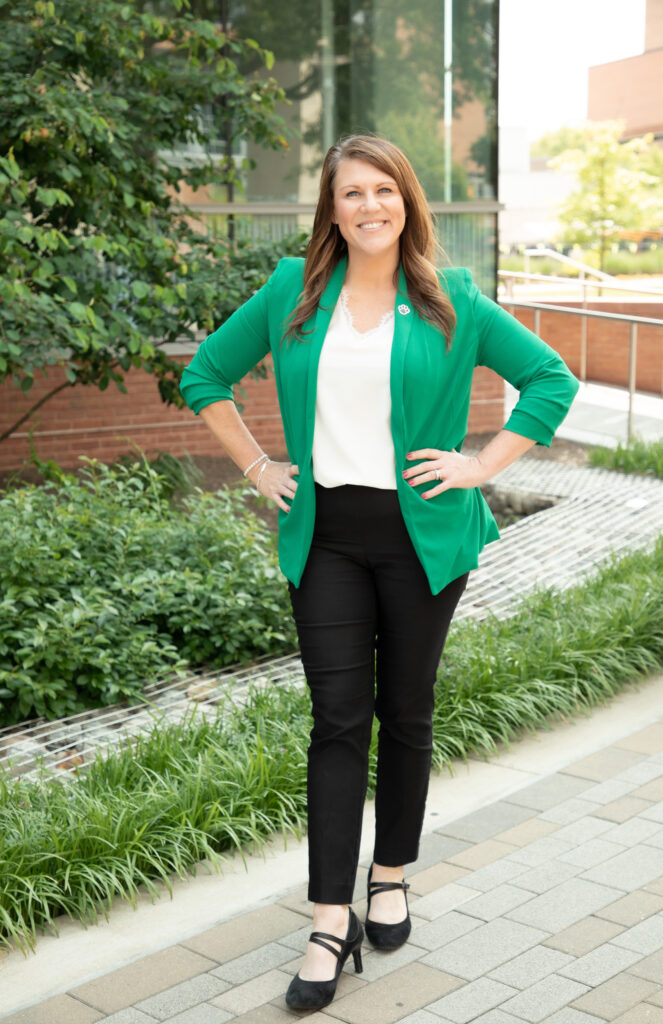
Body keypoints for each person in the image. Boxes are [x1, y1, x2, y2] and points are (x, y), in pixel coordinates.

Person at [179, 134, 579, 1011]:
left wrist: (482, 465)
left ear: (406, 202)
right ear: (330, 209)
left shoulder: (450, 298)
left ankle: (390, 872)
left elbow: (549, 380)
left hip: (421, 538)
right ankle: (329, 920)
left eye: (383, 190)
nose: (368, 206)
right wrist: (256, 467)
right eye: (350, 193)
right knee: (335, 721)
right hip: (324, 534)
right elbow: (205, 374)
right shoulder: (293, 291)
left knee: (405, 711)